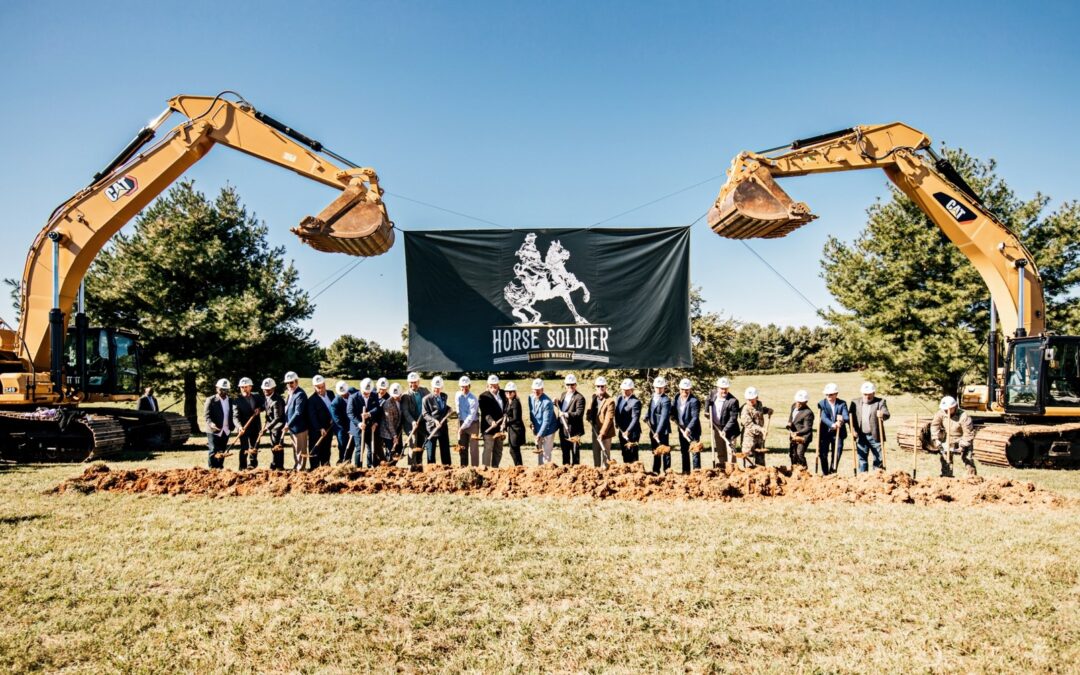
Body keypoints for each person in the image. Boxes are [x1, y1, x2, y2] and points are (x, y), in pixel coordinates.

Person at [930, 396, 977, 477]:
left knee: (967, 458)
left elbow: (968, 433)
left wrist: (962, 445)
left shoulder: (964, 416)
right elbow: (935, 426)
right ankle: (946, 476)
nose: (945, 411)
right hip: (948, 438)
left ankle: (971, 477)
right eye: (944, 409)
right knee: (945, 457)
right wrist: (936, 439)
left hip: (962, 438)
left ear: (954, 407)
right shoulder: (940, 413)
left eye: (948, 409)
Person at [849, 381, 890, 472]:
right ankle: (863, 478)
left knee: (878, 458)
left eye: (870, 394)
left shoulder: (880, 402)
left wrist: (882, 414)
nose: (867, 396)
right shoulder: (855, 402)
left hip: (875, 435)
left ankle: (877, 478)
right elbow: (850, 418)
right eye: (865, 394)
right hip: (861, 435)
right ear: (862, 393)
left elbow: (887, 414)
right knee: (862, 459)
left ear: (874, 393)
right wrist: (852, 430)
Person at [348, 378, 382, 468]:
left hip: (370, 426)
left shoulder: (374, 395)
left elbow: (377, 408)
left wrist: (369, 414)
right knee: (359, 449)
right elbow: (350, 413)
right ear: (361, 389)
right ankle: (358, 467)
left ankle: (370, 466)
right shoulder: (353, 397)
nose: (367, 395)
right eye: (365, 393)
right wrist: (359, 423)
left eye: (368, 393)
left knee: (371, 448)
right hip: (358, 427)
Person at [817, 383, 849, 475]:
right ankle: (825, 473)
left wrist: (841, 421)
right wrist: (832, 424)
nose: (828, 396)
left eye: (830, 394)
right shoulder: (821, 404)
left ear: (836, 394)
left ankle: (833, 471)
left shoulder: (842, 403)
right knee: (823, 454)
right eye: (827, 394)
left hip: (838, 433)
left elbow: (846, 416)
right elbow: (823, 417)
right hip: (825, 433)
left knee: (837, 453)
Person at [706, 377, 740, 465]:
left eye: (726, 388)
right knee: (720, 451)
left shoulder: (733, 401)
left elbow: (733, 418)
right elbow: (707, 401)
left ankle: (733, 471)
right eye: (722, 388)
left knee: (731, 452)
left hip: (730, 430)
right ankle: (723, 469)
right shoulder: (712, 394)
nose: (724, 391)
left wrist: (725, 430)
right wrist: (706, 411)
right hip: (717, 427)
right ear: (718, 388)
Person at [400, 372, 430, 470]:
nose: (413, 384)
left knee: (421, 443)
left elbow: (430, 401)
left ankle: (419, 464)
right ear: (408, 383)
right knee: (413, 442)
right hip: (410, 423)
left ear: (418, 382)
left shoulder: (424, 391)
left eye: (415, 382)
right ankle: (411, 467)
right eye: (411, 382)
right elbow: (405, 411)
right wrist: (412, 421)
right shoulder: (405, 395)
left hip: (422, 422)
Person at [203, 378, 234, 469]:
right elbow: (206, 416)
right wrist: (211, 424)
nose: (222, 392)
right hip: (213, 430)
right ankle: (212, 469)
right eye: (221, 389)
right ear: (217, 388)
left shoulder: (231, 401)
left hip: (226, 430)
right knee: (213, 450)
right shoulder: (211, 400)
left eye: (225, 390)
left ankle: (220, 467)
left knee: (222, 450)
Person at [234, 376, 264, 470]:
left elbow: (264, 405)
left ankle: (252, 465)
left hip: (255, 426)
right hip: (244, 428)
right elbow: (235, 416)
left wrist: (260, 409)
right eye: (242, 387)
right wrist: (239, 427)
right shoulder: (237, 400)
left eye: (246, 387)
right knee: (244, 447)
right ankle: (242, 467)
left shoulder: (257, 396)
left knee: (254, 446)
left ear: (250, 387)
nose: (244, 389)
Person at [478, 375, 508, 467]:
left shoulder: (503, 393)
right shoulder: (483, 396)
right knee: (488, 449)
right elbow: (485, 412)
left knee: (498, 450)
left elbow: (509, 404)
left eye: (495, 386)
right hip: (489, 428)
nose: (493, 388)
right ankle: (485, 469)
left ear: (498, 385)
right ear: (488, 385)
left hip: (500, 428)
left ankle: (495, 470)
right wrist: (491, 421)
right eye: (491, 386)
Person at [307, 374, 336, 468]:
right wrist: (319, 428)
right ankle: (314, 470)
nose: (320, 389)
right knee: (316, 451)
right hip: (317, 431)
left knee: (326, 449)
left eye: (322, 387)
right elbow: (312, 417)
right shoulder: (311, 400)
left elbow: (335, 408)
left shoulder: (331, 394)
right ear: (314, 387)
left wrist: (334, 417)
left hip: (329, 428)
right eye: (318, 388)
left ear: (325, 384)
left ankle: (326, 467)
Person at [739, 387, 773, 467]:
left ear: (756, 397)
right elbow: (749, 425)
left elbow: (759, 411)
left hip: (760, 437)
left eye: (752, 399)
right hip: (749, 437)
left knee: (760, 456)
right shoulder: (744, 410)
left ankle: (761, 475)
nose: (750, 401)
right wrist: (761, 429)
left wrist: (767, 410)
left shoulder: (759, 404)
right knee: (748, 457)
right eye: (748, 399)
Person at [586, 376, 616, 467]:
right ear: (596, 387)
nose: (600, 388)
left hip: (606, 432)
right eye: (598, 386)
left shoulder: (610, 401)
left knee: (605, 455)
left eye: (602, 386)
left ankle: (606, 475)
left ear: (605, 387)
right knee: (596, 453)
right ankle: (597, 472)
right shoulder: (594, 397)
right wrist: (588, 416)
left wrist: (602, 433)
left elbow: (609, 419)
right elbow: (590, 409)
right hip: (595, 430)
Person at [283, 371, 310, 471]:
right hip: (292, 427)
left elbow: (298, 412)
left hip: (299, 427)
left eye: (291, 382)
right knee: (295, 449)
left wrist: (288, 425)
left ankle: (301, 469)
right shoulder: (290, 393)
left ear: (296, 382)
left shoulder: (300, 394)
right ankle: (297, 466)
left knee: (301, 449)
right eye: (288, 383)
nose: (289, 385)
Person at [422, 376, 452, 465]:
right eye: (435, 388)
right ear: (432, 387)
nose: (437, 390)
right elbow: (425, 414)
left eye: (438, 388)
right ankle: (431, 471)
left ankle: (447, 469)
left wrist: (449, 409)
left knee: (445, 451)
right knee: (431, 454)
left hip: (443, 428)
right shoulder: (426, 399)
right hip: (431, 430)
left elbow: (443, 409)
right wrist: (434, 421)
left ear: (441, 387)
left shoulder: (444, 396)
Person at [557, 374, 586, 465]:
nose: (570, 386)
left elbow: (579, 414)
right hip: (563, 429)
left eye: (572, 384)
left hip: (574, 430)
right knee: (565, 453)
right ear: (565, 385)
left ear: (575, 385)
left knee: (575, 454)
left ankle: (576, 473)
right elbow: (561, 407)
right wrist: (556, 402)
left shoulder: (580, 398)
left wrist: (566, 414)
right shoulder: (563, 394)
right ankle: (566, 472)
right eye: (568, 385)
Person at [674, 378, 702, 473]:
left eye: (686, 389)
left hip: (693, 430)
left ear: (690, 389)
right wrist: (672, 416)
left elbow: (695, 417)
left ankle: (696, 472)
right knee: (684, 451)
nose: (684, 391)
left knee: (695, 451)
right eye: (682, 389)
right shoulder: (677, 397)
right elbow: (674, 410)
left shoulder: (694, 401)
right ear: (679, 389)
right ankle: (685, 471)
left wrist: (688, 429)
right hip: (681, 428)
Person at [648, 376, 672, 474]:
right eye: (657, 387)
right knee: (656, 450)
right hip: (653, 429)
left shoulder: (665, 400)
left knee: (665, 451)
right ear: (654, 387)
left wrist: (658, 431)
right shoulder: (653, 397)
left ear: (664, 388)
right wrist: (646, 416)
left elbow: (664, 417)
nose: (658, 389)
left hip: (662, 430)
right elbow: (650, 410)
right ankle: (656, 470)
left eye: (661, 387)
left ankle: (667, 471)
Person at [529, 379, 557, 465]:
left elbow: (546, 422)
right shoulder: (530, 397)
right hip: (538, 428)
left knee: (546, 455)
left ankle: (547, 473)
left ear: (542, 390)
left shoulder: (547, 402)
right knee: (539, 453)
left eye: (538, 390)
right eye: (535, 390)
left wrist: (539, 435)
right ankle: (540, 471)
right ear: (532, 389)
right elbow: (531, 412)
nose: (536, 392)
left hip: (548, 430)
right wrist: (533, 424)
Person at [262, 378, 286, 471]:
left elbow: (277, 417)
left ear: (273, 388)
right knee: (273, 447)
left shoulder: (277, 401)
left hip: (278, 427)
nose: (265, 391)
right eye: (264, 389)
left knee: (277, 447)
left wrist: (267, 428)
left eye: (268, 389)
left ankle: (279, 466)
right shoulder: (267, 397)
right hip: (273, 427)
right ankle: (275, 463)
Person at [786, 390, 814, 469]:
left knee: (799, 453)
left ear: (806, 402)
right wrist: (789, 423)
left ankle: (803, 469)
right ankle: (794, 469)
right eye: (797, 401)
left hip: (804, 436)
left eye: (801, 402)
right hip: (794, 434)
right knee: (792, 454)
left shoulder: (808, 413)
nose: (798, 404)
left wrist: (797, 433)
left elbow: (807, 428)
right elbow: (791, 417)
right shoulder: (793, 406)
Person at [456, 376, 480, 466]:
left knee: (473, 449)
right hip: (462, 422)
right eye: (462, 386)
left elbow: (471, 416)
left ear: (469, 386)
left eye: (466, 386)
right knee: (462, 448)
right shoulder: (457, 395)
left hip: (473, 424)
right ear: (460, 387)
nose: (464, 388)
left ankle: (475, 469)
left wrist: (461, 428)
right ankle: (463, 468)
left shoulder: (473, 399)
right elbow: (458, 408)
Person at [331, 381, 354, 464]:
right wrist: (348, 430)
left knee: (352, 445)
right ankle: (342, 461)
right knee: (343, 445)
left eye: (345, 393)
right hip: (341, 428)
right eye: (342, 394)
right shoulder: (335, 403)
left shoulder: (353, 391)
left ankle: (349, 461)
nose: (344, 395)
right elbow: (338, 421)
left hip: (354, 424)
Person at [504, 382, 527, 466]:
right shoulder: (509, 402)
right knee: (513, 450)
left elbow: (516, 418)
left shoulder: (515, 402)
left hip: (516, 430)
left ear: (514, 392)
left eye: (510, 392)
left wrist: (506, 423)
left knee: (514, 450)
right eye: (507, 392)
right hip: (512, 429)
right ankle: (518, 466)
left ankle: (519, 467)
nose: (508, 394)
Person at [380, 383, 403, 464]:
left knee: (398, 452)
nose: (396, 397)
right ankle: (388, 469)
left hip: (396, 429)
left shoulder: (401, 400)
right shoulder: (388, 404)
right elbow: (389, 422)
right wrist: (394, 436)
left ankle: (392, 467)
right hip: (387, 431)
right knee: (391, 453)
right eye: (394, 395)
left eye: (398, 395)